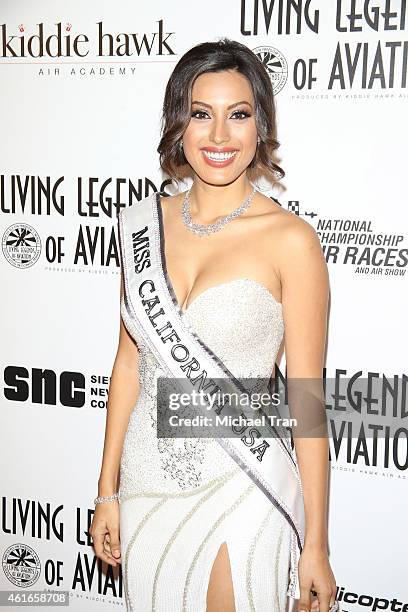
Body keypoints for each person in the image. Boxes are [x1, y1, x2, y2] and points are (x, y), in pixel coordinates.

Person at [89, 38, 338, 612]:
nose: (219, 137)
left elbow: (305, 401)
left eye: (239, 115)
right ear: (179, 125)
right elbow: (129, 364)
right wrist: (107, 490)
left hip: (244, 489)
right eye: (202, 114)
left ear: (260, 128)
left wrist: (317, 545)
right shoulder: (140, 226)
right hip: (147, 487)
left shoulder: (291, 241)